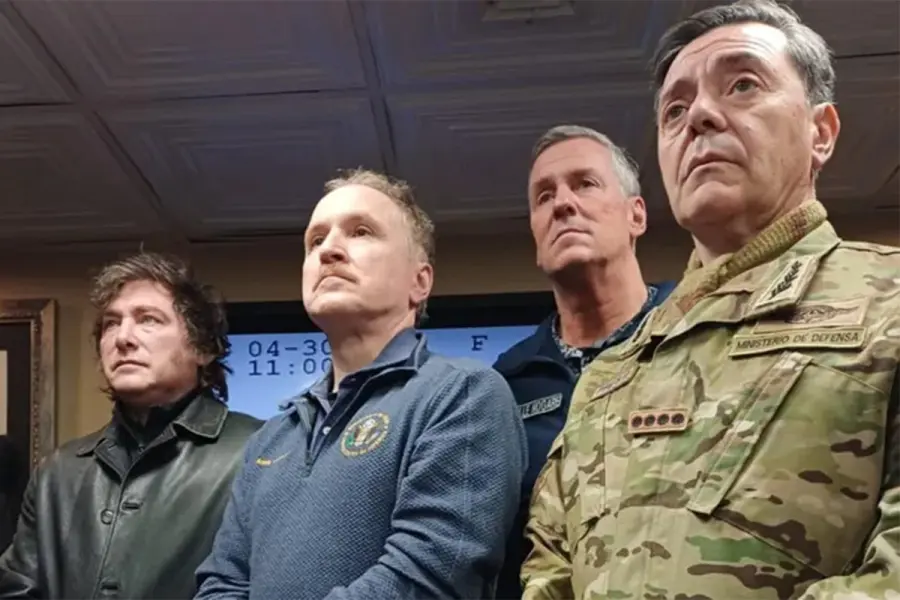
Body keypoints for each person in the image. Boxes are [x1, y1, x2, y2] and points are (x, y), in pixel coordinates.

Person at [521, 1, 900, 598]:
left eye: (743, 84)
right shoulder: (612, 373)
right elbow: (548, 566)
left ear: (821, 131)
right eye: (674, 110)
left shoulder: (888, 301)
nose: (698, 115)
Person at [195, 169, 528, 600]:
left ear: (420, 281)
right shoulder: (272, 437)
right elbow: (221, 583)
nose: (329, 250)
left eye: (361, 232)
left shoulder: (463, 394)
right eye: (316, 241)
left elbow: (427, 577)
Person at [0, 253, 263, 599]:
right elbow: (16, 589)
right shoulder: (58, 471)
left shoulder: (259, 451)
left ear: (203, 348)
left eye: (148, 320)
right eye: (111, 324)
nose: (123, 338)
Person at [492, 125, 675, 599]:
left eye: (585, 184)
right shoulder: (503, 386)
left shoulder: (698, 329)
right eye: (544, 196)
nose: (562, 204)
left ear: (636, 215)